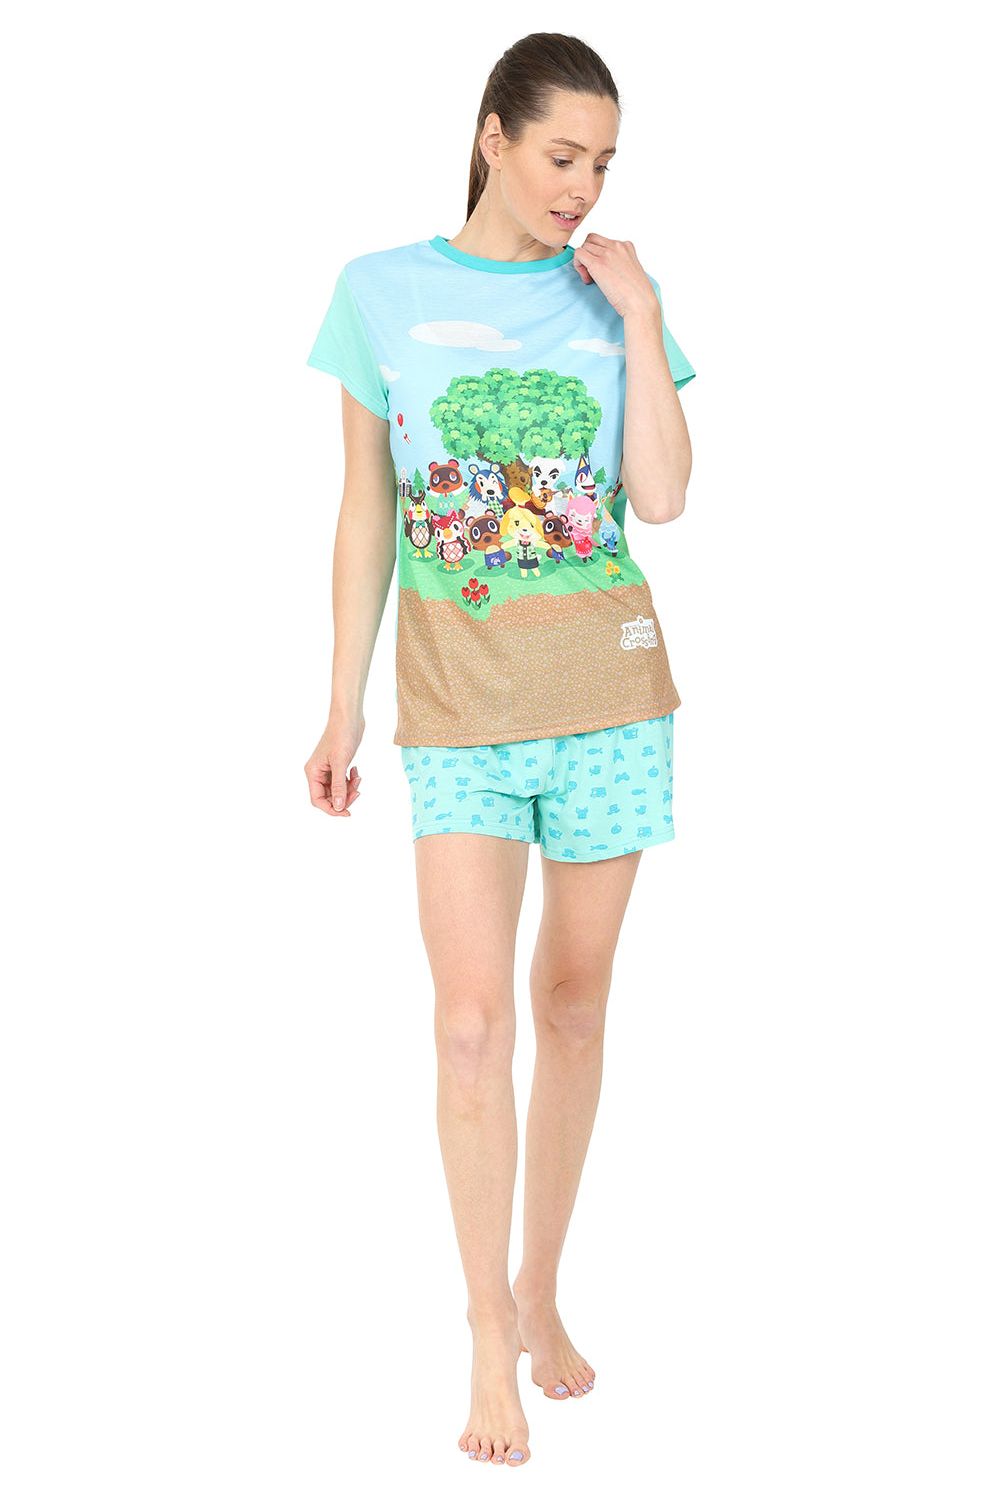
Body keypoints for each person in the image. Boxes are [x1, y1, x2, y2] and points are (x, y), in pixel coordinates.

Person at [303, 31, 695, 1469]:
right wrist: (342, 704)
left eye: (602, 164)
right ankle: (485, 1331)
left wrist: (641, 316)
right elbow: (367, 509)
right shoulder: (379, 293)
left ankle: (543, 1290)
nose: (581, 187)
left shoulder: (615, 297)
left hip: (611, 701)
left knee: (574, 1006)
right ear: (493, 139)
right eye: (560, 156)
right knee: (469, 1024)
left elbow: (662, 497)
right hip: (457, 709)